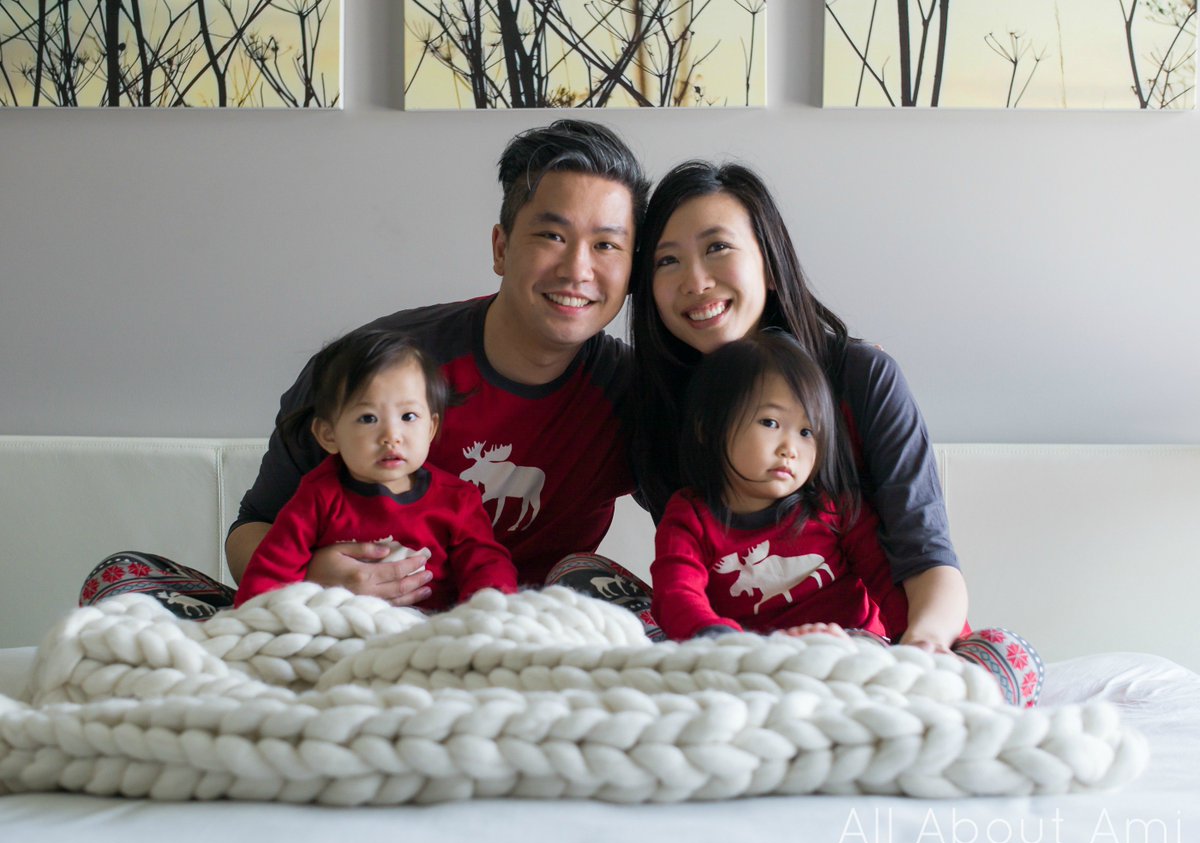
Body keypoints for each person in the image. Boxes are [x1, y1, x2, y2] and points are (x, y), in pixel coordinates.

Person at [80, 118, 650, 617]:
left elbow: (721, 520)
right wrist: (314, 576)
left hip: (511, 637)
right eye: (552, 235)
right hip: (343, 623)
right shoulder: (373, 365)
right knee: (123, 582)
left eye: (606, 246)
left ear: (632, 269)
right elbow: (250, 533)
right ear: (501, 248)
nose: (578, 268)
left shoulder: (633, 393)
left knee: (590, 579)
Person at [626, 161, 1043, 706]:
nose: (695, 281)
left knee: (1001, 653)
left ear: (770, 266)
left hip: (862, 650)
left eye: (718, 248)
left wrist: (919, 650)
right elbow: (686, 582)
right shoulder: (659, 408)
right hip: (739, 663)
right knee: (583, 583)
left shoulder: (861, 378)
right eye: (667, 261)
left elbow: (923, 557)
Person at [651, 331, 908, 643]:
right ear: (710, 428)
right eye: (770, 423)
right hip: (751, 655)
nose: (791, 448)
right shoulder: (691, 516)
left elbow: (889, 583)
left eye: (806, 431)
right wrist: (721, 641)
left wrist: (918, 646)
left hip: (851, 646)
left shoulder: (836, 508)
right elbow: (676, 592)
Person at [234, 329, 517, 609]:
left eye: (408, 416)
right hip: (342, 630)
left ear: (431, 428)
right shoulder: (318, 496)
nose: (391, 435)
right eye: (368, 418)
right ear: (329, 435)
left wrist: (491, 612)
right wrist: (254, 622)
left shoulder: (458, 499)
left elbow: (486, 564)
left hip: (430, 633)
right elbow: (272, 568)